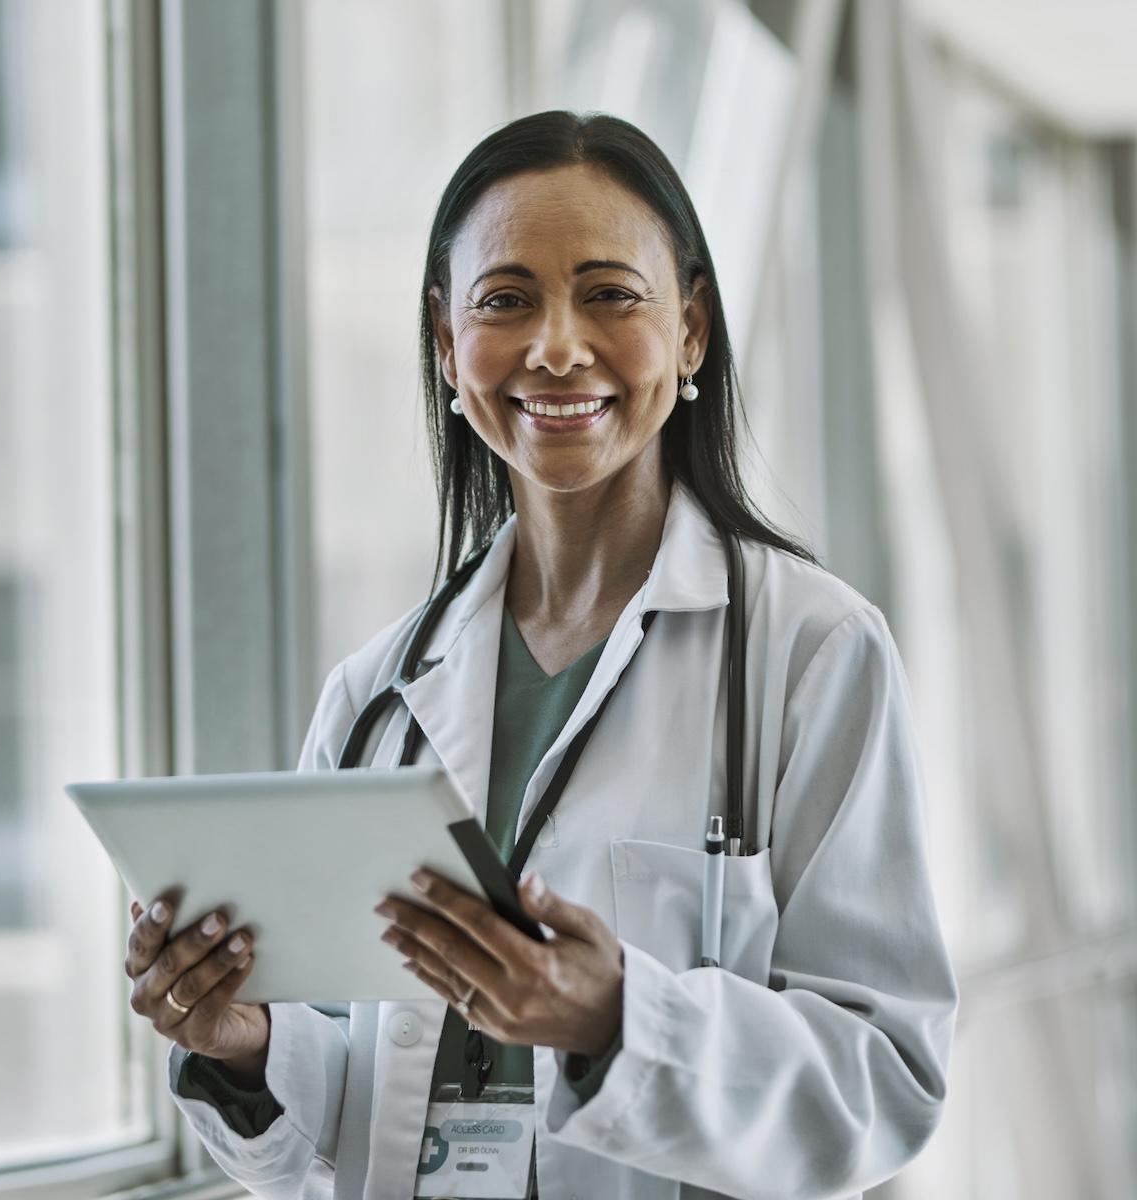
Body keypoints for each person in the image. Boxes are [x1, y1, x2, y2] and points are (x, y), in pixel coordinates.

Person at [123, 110, 959, 1200]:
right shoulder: (376, 696)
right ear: (444, 343)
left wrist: (621, 1021)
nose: (556, 346)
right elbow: (368, 1111)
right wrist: (246, 1045)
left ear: (692, 330)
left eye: (610, 294)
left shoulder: (812, 653)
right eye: (505, 301)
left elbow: (885, 1086)